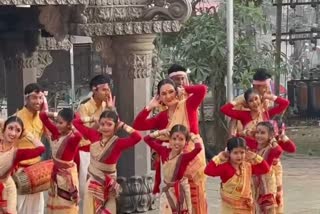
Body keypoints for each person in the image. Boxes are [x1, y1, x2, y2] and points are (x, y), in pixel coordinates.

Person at [133, 79, 208, 214]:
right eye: (164, 94)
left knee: (194, 196)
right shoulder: (162, 117)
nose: (168, 96)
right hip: (173, 162)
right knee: (175, 198)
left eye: (171, 92)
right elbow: (138, 125)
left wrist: (184, 88)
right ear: (159, 97)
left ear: (177, 91)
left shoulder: (188, 105)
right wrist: (150, 106)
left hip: (193, 158)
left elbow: (202, 89)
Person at [72, 110, 142, 214]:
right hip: (92, 184)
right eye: (102, 124)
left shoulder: (118, 143)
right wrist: (92, 118)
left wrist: (123, 125)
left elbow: (137, 137)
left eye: (109, 124)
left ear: (115, 126)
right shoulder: (93, 135)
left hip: (108, 186)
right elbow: (75, 122)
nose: (105, 127)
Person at [75, 74, 116, 211]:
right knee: (86, 188)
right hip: (86, 151)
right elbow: (84, 134)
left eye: (108, 89)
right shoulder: (84, 107)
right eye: (104, 89)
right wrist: (98, 123)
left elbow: (113, 126)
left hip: (104, 152)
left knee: (104, 189)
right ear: (94, 89)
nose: (107, 92)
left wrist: (110, 110)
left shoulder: (107, 105)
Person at [144, 125, 202, 214]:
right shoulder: (163, 151)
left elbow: (198, 148)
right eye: (174, 139)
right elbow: (146, 139)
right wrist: (160, 132)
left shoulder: (184, 157)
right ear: (169, 140)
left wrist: (193, 137)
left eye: (181, 139)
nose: (177, 142)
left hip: (180, 192)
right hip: (167, 191)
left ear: (186, 142)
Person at [204, 137, 269, 214]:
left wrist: (254, 156)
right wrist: (218, 157)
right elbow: (208, 171)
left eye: (242, 152)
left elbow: (265, 169)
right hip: (230, 210)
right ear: (228, 153)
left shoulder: (247, 167)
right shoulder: (226, 168)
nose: (239, 156)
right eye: (235, 153)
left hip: (246, 210)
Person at [39, 109, 82, 214]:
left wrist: (72, 126)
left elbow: (79, 136)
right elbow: (42, 115)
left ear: (69, 124)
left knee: (66, 206)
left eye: (61, 122)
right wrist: (55, 114)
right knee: (54, 204)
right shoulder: (55, 131)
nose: (57, 125)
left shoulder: (72, 139)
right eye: (56, 121)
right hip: (55, 174)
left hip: (66, 177)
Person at [0, 116, 45, 214]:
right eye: (10, 128)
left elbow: (41, 149)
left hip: (6, 188)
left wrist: (27, 134)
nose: (13, 133)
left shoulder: (17, 153)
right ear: (4, 129)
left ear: (21, 134)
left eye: (18, 130)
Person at [221, 88, 289, 148]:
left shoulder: (267, 114)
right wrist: (238, 102)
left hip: (264, 151)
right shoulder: (244, 115)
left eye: (256, 98)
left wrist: (268, 96)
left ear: (260, 99)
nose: (255, 103)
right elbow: (224, 109)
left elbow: (285, 103)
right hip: (248, 152)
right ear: (247, 104)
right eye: (251, 101)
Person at [16, 83, 47, 214]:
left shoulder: (42, 118)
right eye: (34, 97)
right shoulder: (16, 118)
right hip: (19, 171)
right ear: (26, 99)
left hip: (37, 170)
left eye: (40, 98)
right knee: (19, 207)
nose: (38, 101)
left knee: (37, 209)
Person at [229, 68, 273, 136]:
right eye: (264, 87)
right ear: (256, 86)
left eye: (268, 87)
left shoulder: (266, 100)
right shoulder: (240, 100)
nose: (268, 90)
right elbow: (233, 124)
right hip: (244, 141)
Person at [251, 122, 284, 213]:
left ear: (270, 135)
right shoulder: (255, 149)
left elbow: (278, 151)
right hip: (256, 189)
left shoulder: (270, 150)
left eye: (262, 133)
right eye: (257, 132)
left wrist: (273, 140)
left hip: (267, 190)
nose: (259, 135)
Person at [270, 118, 296, 213]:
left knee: (278, 195)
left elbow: (292, 149)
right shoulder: (260, 140)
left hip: (276, 168)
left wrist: (284, 137)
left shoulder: (279, 141)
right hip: (263, 170)